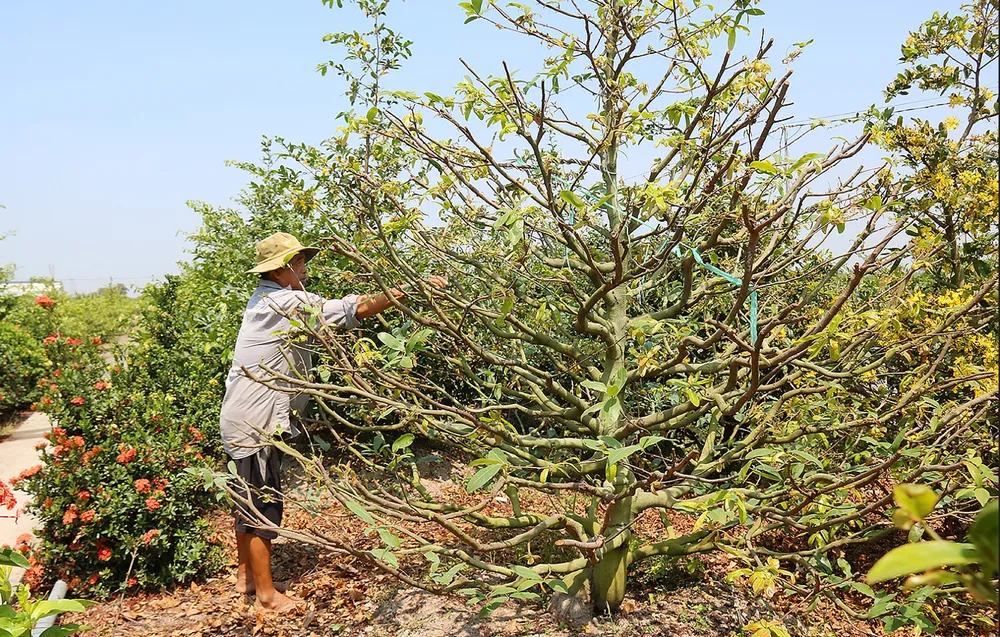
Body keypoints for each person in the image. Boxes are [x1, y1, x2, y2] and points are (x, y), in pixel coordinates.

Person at [219, 231, 446, 612]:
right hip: (257, 423)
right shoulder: (286, 302)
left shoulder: (263, 298)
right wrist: (410, 288)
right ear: (280, 270)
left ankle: (247, 579)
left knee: (247, 499)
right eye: (299, 262)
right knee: (262, 507)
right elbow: (352, 309)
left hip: (242, 418)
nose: (305, 268)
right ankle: (267, 597)